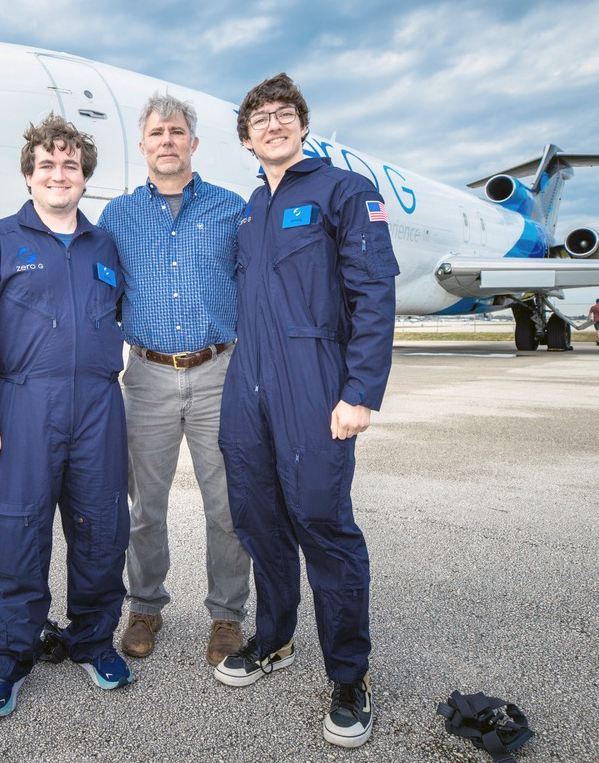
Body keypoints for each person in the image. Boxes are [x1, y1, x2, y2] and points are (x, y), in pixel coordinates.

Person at [214, 74, 398, 749]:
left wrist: (360, 393)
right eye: (260, 117)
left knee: (322, 519)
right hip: (248, 380)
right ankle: (276, 637)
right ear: (245, 136)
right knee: (257, 517)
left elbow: (375, 294)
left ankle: (351, 675)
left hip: (314, 380)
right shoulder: (245, 213)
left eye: (284, 114)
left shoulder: (344, 192)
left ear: (302, 126)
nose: (272, 124)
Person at [0, 113, 133, 719]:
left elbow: (125, 315)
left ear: (85, 179)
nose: (60, 174)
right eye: (48, 165)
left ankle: (93, 641)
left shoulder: (105, 246)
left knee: (101, 530)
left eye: (71, 166)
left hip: (99, 408)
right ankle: (8, 658)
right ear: (29, 175)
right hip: (24, 406)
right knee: (18, 534)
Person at [98, 93, 252, 666]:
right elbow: (99, 292)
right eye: (158, 132)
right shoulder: (117, 216)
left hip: (218, 372)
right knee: (145, 506)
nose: (168, 140)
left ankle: (227, 617)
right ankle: (144, 607)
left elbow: (255, 285)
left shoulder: (231, 209)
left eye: (177, 131)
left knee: (227, 505)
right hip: (146, 375)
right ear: (143, 146)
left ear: (193, 143)